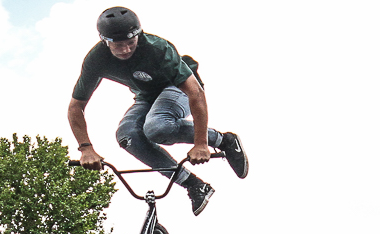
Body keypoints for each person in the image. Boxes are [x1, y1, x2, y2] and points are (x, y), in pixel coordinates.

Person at [68, 6, 248, 221]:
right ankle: (193, 184)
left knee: (156, 127)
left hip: (178, 88)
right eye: (118, 45)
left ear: (138, 35)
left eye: (130, 43)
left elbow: (196, 94)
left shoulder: (157, 48)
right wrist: (86, 149)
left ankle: (224, 140)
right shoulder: (95, 60)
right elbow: (75, 107)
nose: (125, 50)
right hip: (146, 96)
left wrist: (201, 143)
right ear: (105, 41)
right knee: (127, 137)